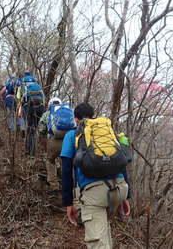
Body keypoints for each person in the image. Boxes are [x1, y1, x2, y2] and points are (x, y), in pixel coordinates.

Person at [60, 102, 131, 249]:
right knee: (104, 234)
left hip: (94, 195)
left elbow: (67, 171)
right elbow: (121, 162)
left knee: (98, 242)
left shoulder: (71, 135)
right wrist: (127, 196)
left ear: (75, 119)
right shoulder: (106, 133)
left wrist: (68, 203)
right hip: (119, 188)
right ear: (94, 116)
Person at [39, 97, 76, 191]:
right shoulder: (68, 112)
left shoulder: (47, 114)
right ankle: (70, 185)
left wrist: (44, 140)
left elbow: (41, 129)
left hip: (53, 141)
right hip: (69, 141)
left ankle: (54, 185)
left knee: (50, 160)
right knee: (67, 161)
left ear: (50, 105)